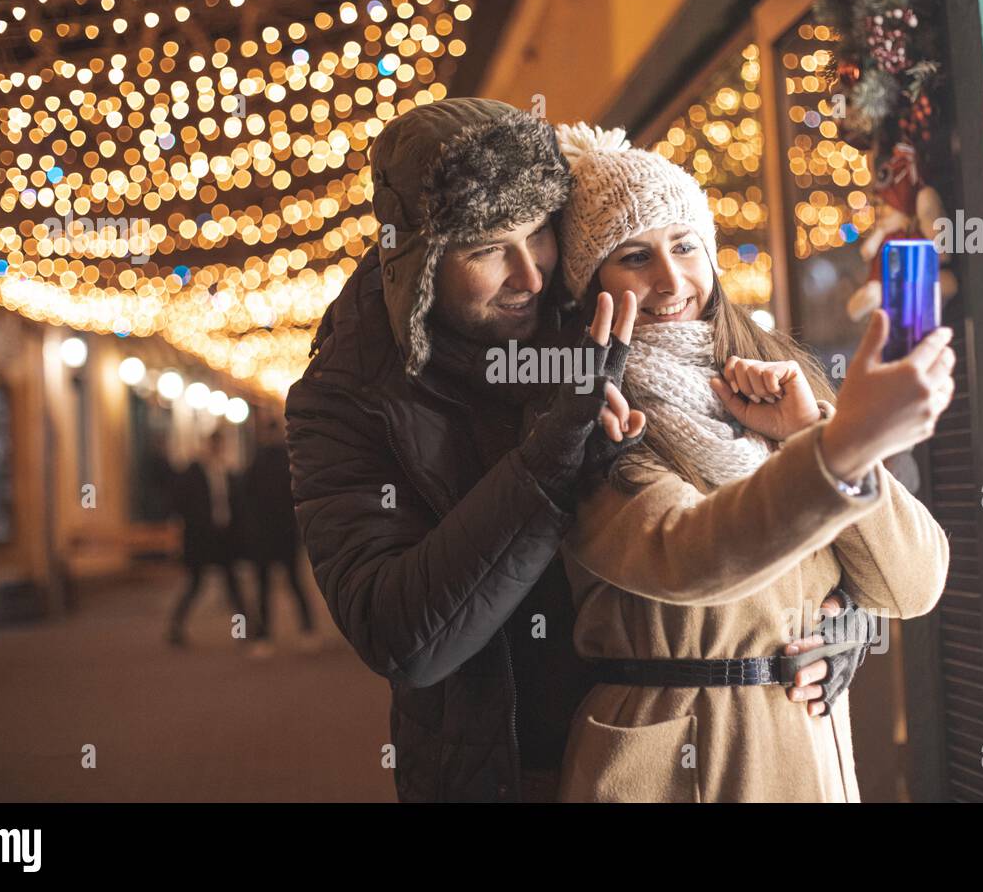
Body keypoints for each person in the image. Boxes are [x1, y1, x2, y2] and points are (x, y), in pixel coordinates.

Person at [284, 98, 868, 803]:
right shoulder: (344, 396)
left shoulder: (586, 308)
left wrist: (835, 618)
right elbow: (403, 636)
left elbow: (732, 506)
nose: (528, 273)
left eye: (537, 235)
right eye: (485, 250)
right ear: (417, 263)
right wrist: (552, 453)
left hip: (654, 750)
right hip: (505, 768)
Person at [551, 123, 953, 802]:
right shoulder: (584, 413)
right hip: (675, 760)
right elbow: (689, 556)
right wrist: (838, 449)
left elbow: (913, 587)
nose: (671, 279)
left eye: (685, 246)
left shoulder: (779, 381)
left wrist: (809, 432)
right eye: (634, 257)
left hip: (804, 749)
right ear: (590, 282)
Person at [237, 411, 316, 655]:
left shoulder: (257, 462)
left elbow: (245, 500)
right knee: (291, 584)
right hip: (282, 533)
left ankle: (266, 637)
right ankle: (306, 631)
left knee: (267, 587)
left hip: (267, 534)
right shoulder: (287, 461)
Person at [167, 431, 252, 647]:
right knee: (195, 584)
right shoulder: (192, 473)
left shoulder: (225, 472)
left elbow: (235, 504)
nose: (216, 449)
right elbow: (179, 503)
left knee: (233, 586)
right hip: (201, 537)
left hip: (224, 537)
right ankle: (175, 627)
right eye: (213, 445)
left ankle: (242, 631)